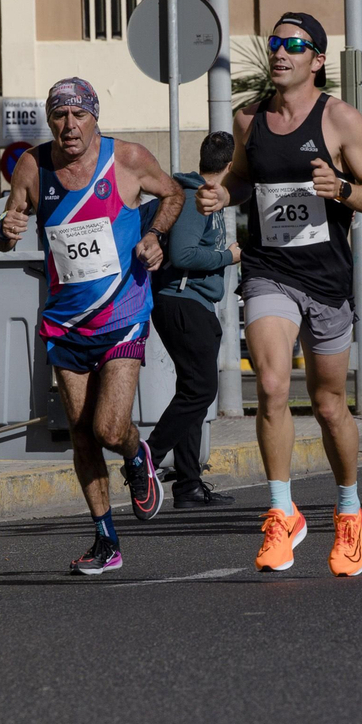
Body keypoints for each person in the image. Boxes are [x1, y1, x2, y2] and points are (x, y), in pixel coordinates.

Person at [195, 13, 362, 576]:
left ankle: (348, 511)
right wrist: (220, 194)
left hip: (326, 279)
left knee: (329, 405)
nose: (281, 52)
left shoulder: (340, 118)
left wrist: (342, 188)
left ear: (317, 60)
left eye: (295, 45)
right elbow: (239, 179)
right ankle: (281, 512)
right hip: (268, 270)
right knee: (273, 385)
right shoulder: (249, 119)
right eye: (275, 43)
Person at [0, 77, 184, 572]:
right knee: (81, 434)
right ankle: (106, 540)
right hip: (65, 321)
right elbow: (8, 229)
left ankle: (136, 455)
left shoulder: (127, 159)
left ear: (95, 117)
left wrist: (155, 235)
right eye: (59, 115)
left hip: (122, 313)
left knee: (108, 427)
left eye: (79, 115)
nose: (69, 125)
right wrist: (4, 229)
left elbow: (173, 193)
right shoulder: (33, 166)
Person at [145, 132, 237, 508]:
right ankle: (146, 458)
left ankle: (188, 486)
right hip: (182, 302)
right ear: (231, 166)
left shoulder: (205, 198)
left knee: (192, 392)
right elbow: (182, 255)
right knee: (201, 390)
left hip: (195, 303)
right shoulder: (194, 200)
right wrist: (229, 256)